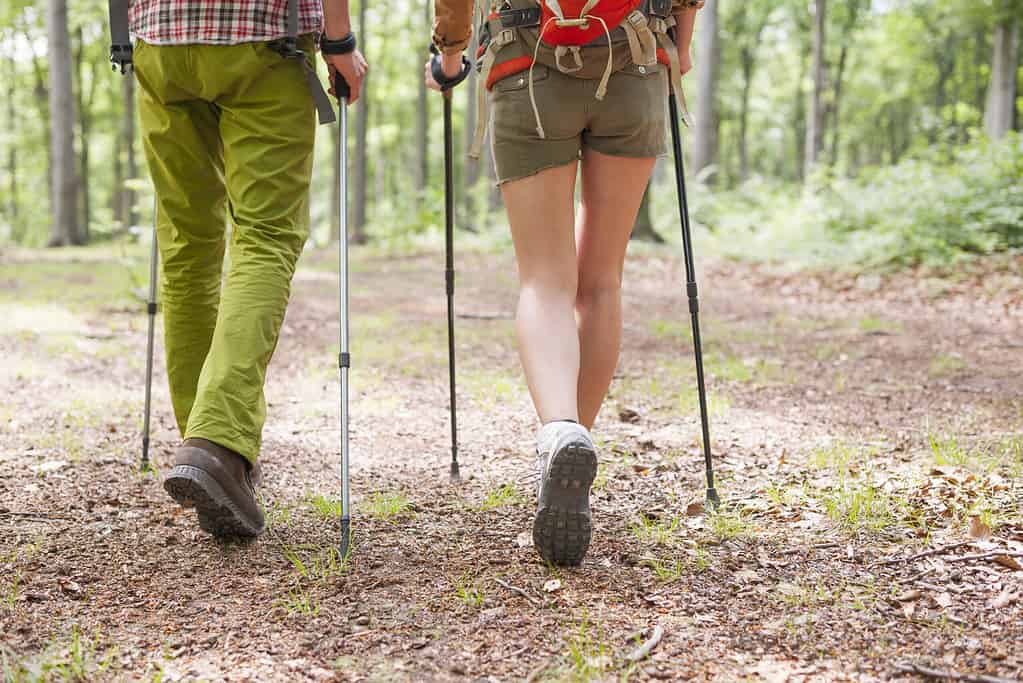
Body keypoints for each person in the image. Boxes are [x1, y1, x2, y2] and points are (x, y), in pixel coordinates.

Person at [428, 0, 704, 565]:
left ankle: (561, 433)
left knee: (544, 281)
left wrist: (451, 51)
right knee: (601, 280)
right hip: (634, 54)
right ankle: (573, 442)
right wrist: (683, 41)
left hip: (526, 62)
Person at [130, 0, 367, 538]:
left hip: (158, 40)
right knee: (266, 236)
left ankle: (208, 445)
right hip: (263, 39)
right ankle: (215, 444)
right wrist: (339, 40)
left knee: (187, 245)